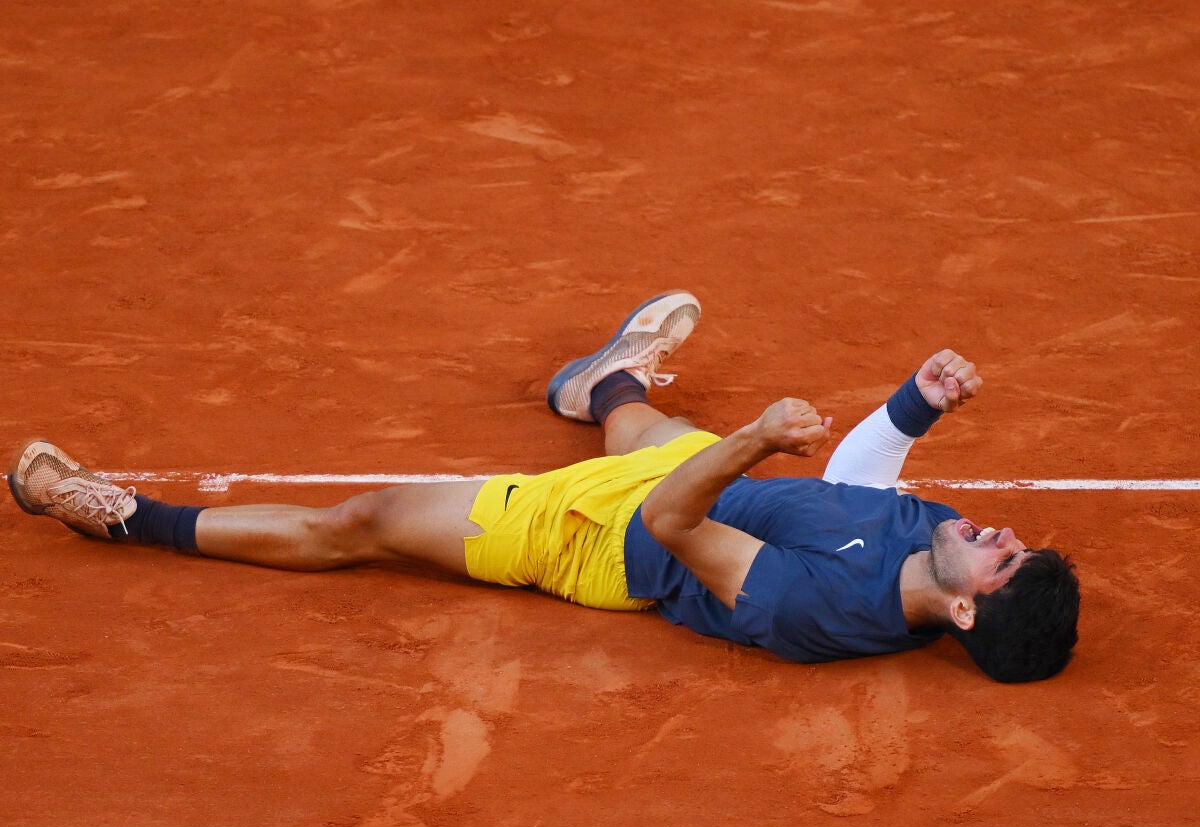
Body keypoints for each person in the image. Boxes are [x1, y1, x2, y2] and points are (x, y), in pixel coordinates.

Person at [7, 291, 1079, 682]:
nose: (999, 530)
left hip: (600, 540)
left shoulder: (810, 611)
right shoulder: (931, 539)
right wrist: (914, 406)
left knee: (366, 523)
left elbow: (669, 518)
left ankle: (121, 517)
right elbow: (856, 492)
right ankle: (601, 379)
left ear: (968, 606)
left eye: (1005, 555)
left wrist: (752, 437)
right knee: (644, 423)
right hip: (689, 474)